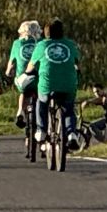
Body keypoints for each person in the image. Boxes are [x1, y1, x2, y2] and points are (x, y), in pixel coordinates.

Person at [26, 20, 83, 151]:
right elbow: (78, 64)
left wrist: (28, 72)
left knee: (41, 103)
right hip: (68, 85)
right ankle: (72, 134)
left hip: (47, 85)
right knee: (69, 109)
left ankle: (41, 130)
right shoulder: (70, 45)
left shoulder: (41, 46)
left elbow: (30, 67)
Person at [7, 20, 43, 129]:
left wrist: (9, 72)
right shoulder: (41, 42)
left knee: (24, 91)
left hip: (23, 79)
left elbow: (10, 66)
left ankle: (20, 112)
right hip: (39, 78)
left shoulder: (17, 43)